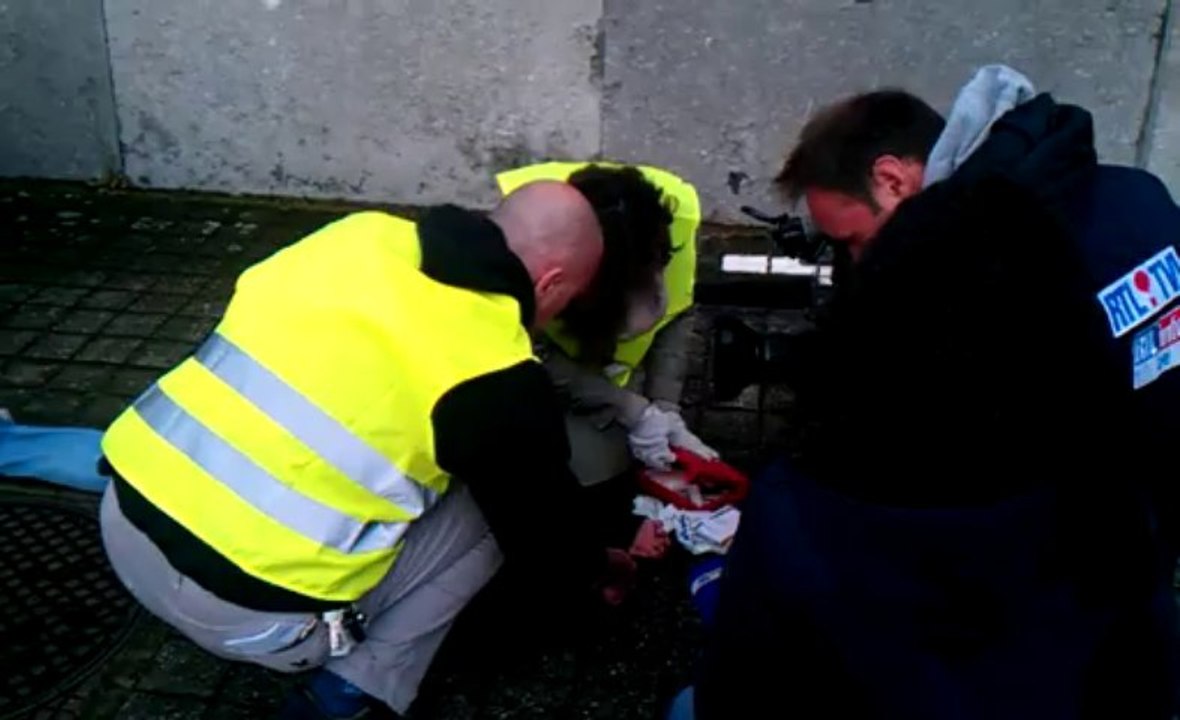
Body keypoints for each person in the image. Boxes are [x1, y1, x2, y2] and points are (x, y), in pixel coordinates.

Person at [686, 65, 1180, 719]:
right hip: (1134, 557)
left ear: (893, 179)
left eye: (852, 243)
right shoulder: (1140, 198)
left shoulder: (996, 308)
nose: (856, 269)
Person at [96, 181, 636, 720]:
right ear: (552, 283)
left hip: (121, 522)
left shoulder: (359, 234)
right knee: (494, 508)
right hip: (250, 621)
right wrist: (604, 565)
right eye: (568, 300)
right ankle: (353, 692)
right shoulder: (496, 372)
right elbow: (547, 543)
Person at [496, 162, 717, 487]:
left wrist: (665, 409)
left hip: (606, 371)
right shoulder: (524, 233)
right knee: (560, 469)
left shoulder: (676, 219)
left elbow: (677, 316)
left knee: (615, 461)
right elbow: (519, 342)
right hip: (528, 369)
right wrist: (630, 410)